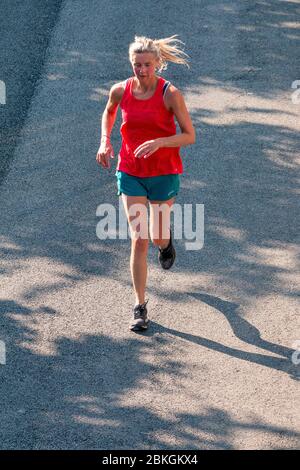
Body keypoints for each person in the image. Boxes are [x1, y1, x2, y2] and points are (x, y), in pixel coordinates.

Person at [96, 35, 195, 332]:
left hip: (164, 172)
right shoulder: (120, 90)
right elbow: (109, 111)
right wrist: (105, 141)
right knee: (138, 239)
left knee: (156, 237)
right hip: (131, 171)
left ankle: (166, 245)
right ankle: (140, 306)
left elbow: (189, 135)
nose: (142, 70)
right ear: (131, 63)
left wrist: (160, 142)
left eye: (147, 65)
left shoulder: (170, 95)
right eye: (137, 65)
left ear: (158, 64)